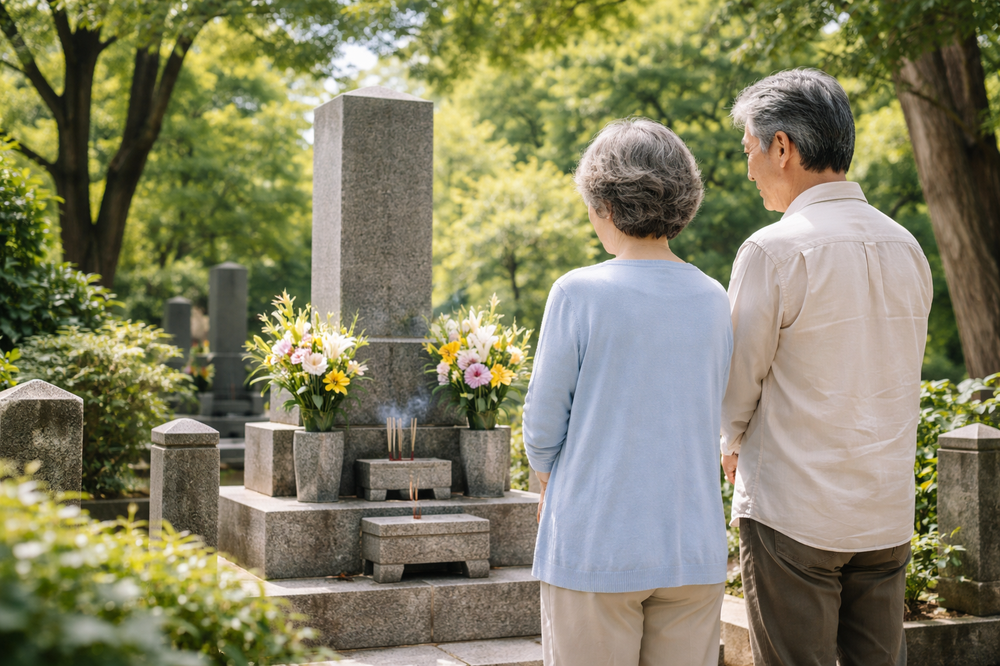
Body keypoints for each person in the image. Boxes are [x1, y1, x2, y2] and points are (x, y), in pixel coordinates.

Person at [721, 69, 932, 666]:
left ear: (781, 147)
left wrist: (729, 440)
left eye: (750, 152)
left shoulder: (772, 250)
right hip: (884, 510)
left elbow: (739, 381)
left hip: (794, 511)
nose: (749, 168)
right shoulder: (907, 246)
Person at [523, 117, 733, 666]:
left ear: (604, 203)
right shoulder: (714, 297)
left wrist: (547, 476)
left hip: (597, 544)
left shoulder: (578, 292)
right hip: (693, 547)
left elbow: (543, 423)